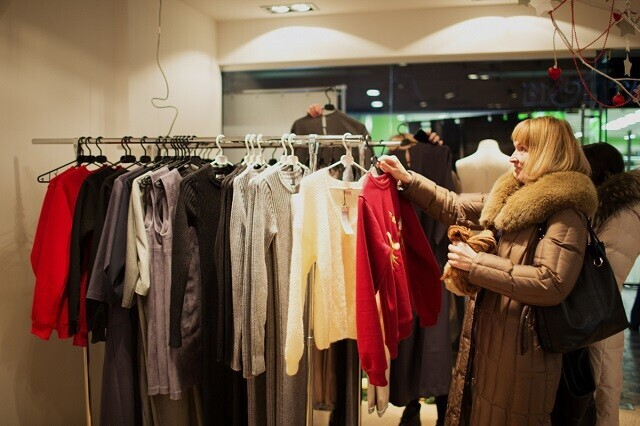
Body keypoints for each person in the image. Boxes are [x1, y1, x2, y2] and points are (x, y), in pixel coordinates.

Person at [377, 116, 597, 424]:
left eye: (524, 149)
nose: (513, 157)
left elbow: (550, 282)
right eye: (515, 147)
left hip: (525, 349)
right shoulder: (513, 195)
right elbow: (455, 205)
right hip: (496, 335)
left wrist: (475, 264)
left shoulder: (566, 211)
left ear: (548, 152)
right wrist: (409, 179)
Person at [583, 142, 640, 426]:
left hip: (599, 320)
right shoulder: (606, 208)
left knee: (601, 396)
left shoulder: (622, 212)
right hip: (597, 318)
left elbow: (607, 271)